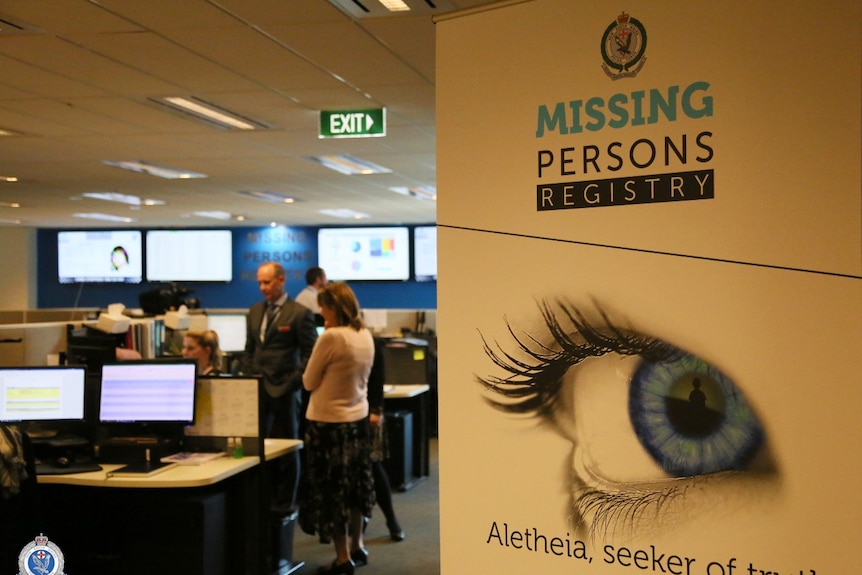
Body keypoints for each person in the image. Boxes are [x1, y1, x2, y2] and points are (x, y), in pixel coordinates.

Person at [300, 282, 376, 575]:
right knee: (356, 488)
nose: (321, 313)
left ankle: (342, 558)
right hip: (356, 422)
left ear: (334, 307)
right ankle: (358, 546)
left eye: (324, 307)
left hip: (328, 425)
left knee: (333, 492)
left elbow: (308, 381)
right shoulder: (365, 335)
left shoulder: (331, 337)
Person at [245, 261, 318, 513]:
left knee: (288, 449)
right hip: (259, 389)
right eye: (260, 283)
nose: (263, 287)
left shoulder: (298, 313)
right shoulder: (254, 311)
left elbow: (311, 354)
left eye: (267, 282)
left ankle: (286, 504)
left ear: (281, 280)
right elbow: (250, 348)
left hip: (286, 390)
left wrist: (292, 382)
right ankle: (264, 498)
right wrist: (249, 374)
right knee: (259, 448)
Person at [365, 337, 405, 541]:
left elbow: (378, 378)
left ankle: (391, 520)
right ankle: (358, 527)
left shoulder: (370, 342)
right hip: (345, 413)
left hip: (368, 413)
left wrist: (376, 410)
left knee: (373, 465)